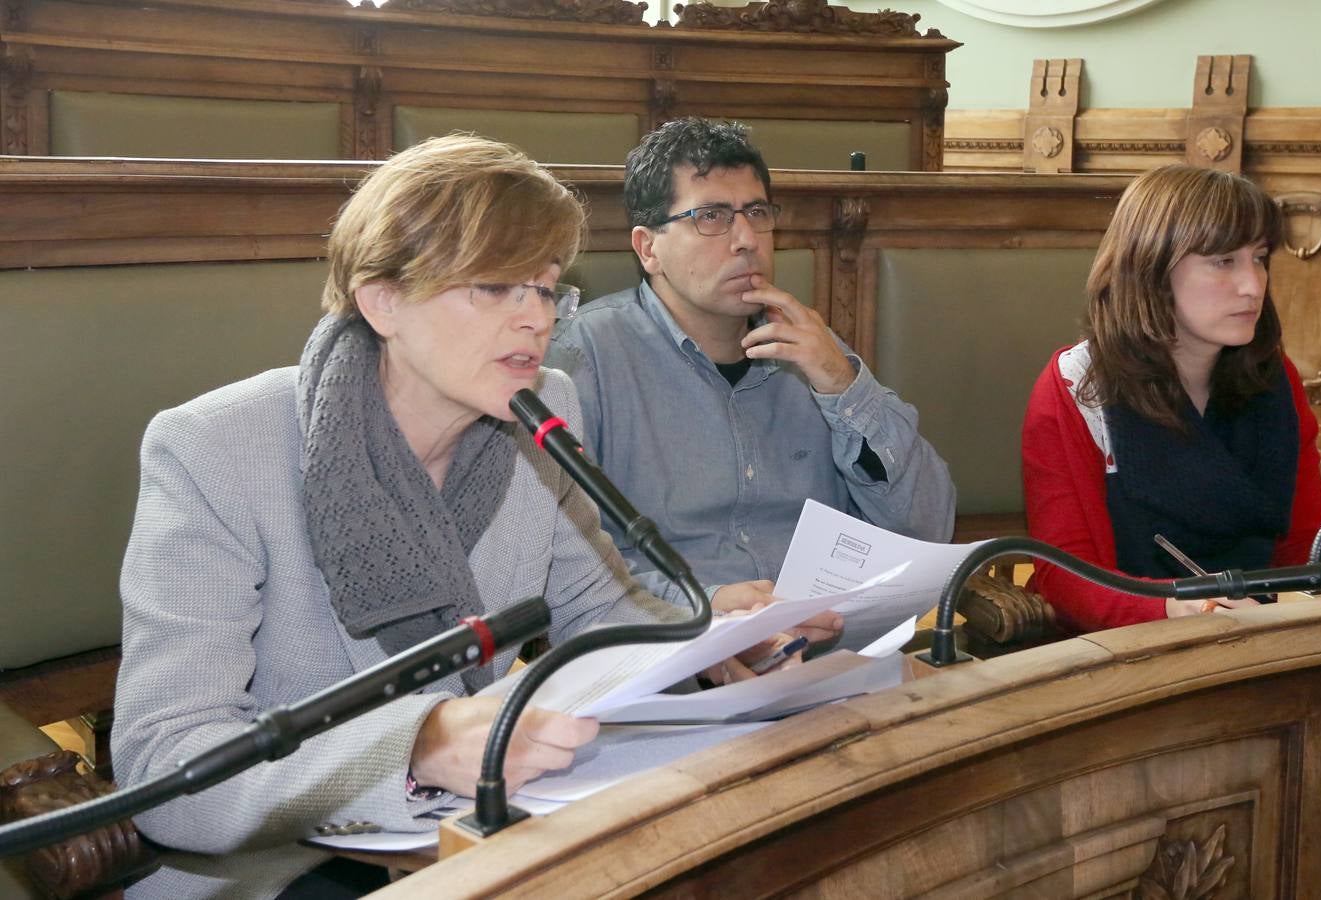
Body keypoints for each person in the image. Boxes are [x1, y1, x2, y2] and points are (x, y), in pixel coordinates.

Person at [111, 134, 771, 899]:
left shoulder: (545, 406)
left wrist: (722, 638)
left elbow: (602, 614)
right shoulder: (214, 449)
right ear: (382, 299)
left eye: (547, 287)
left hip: (480, 835)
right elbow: (166, 765)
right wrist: (412, 744)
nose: (535, 319)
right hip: (276, 870)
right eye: (495, 288)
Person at [546, 119, 956, 625]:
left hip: (824, 649)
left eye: (757, 213)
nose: (746, 239)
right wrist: (705, 605)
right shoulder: (582, 360)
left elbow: (930, 528)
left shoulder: (814, 351)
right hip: (671, 660)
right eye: (712, 216)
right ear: (648, 248)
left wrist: (845, 385)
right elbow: (562, 564)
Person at [1021, 164, 1321, 635]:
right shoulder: (1074, 388)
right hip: (1119, 647)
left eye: (1259, 258)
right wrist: (1173, 609)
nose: (1253, 285)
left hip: (1258, 639)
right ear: (1151, 268)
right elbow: (1067, 577)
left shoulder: (1275, 379)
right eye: (1223, 261)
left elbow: (1310, 544)